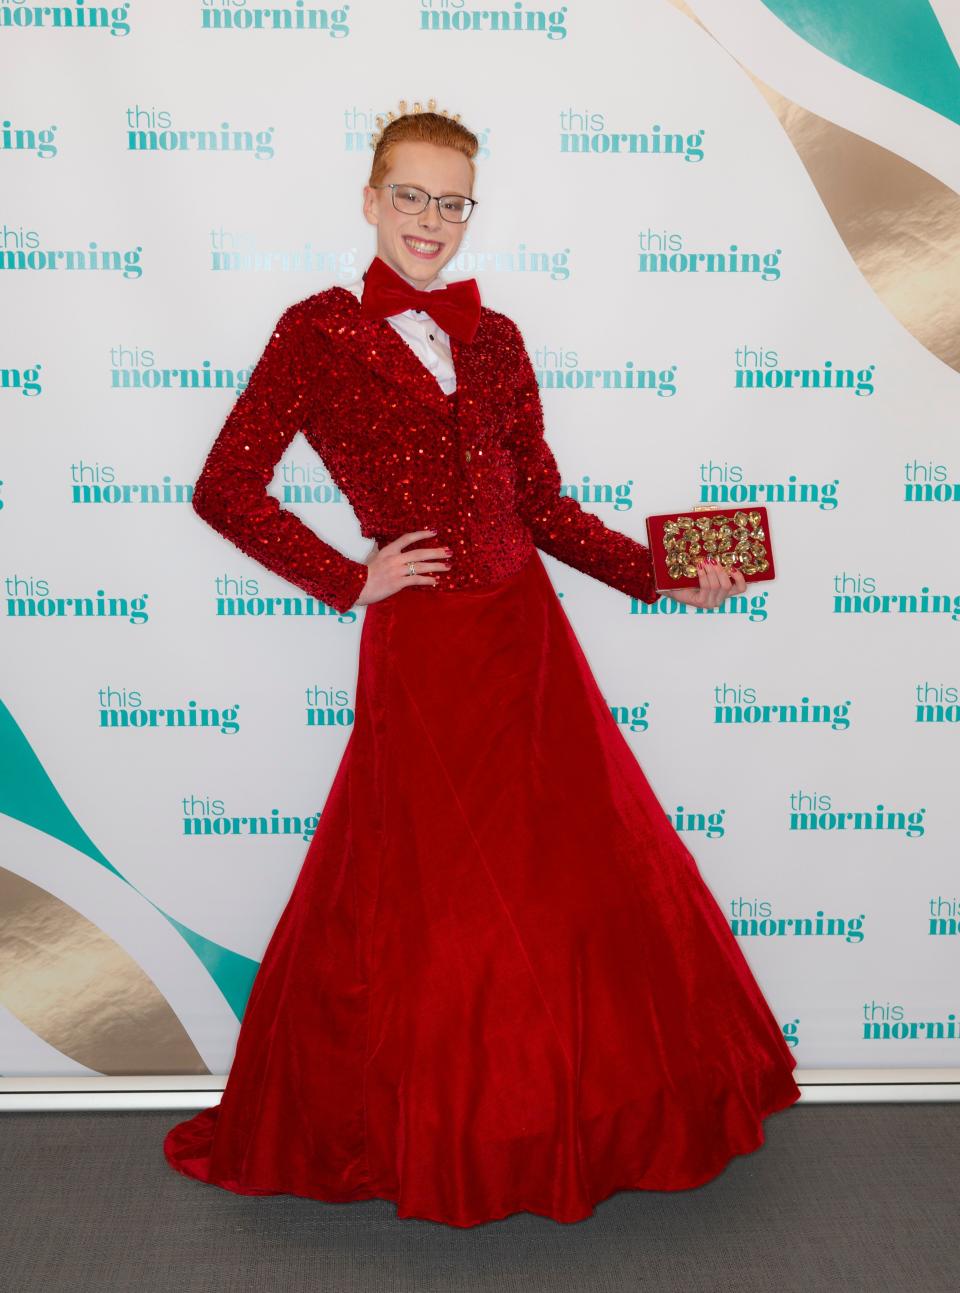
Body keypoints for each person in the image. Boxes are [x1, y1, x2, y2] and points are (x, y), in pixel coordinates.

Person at [163, 98, 801, 1227]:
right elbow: (224, 486)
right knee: (436, 906)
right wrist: (347, 576)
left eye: (452, 203)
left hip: (529, 640)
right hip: (425, 652)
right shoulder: (313, 331)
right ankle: (444, 1135)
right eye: (410, 196)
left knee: (571, 891)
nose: (430, 220)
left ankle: (565, 1124)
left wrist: (664, 574)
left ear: (470, 215)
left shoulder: (496, 336)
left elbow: (542, 503)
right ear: (370, 201)